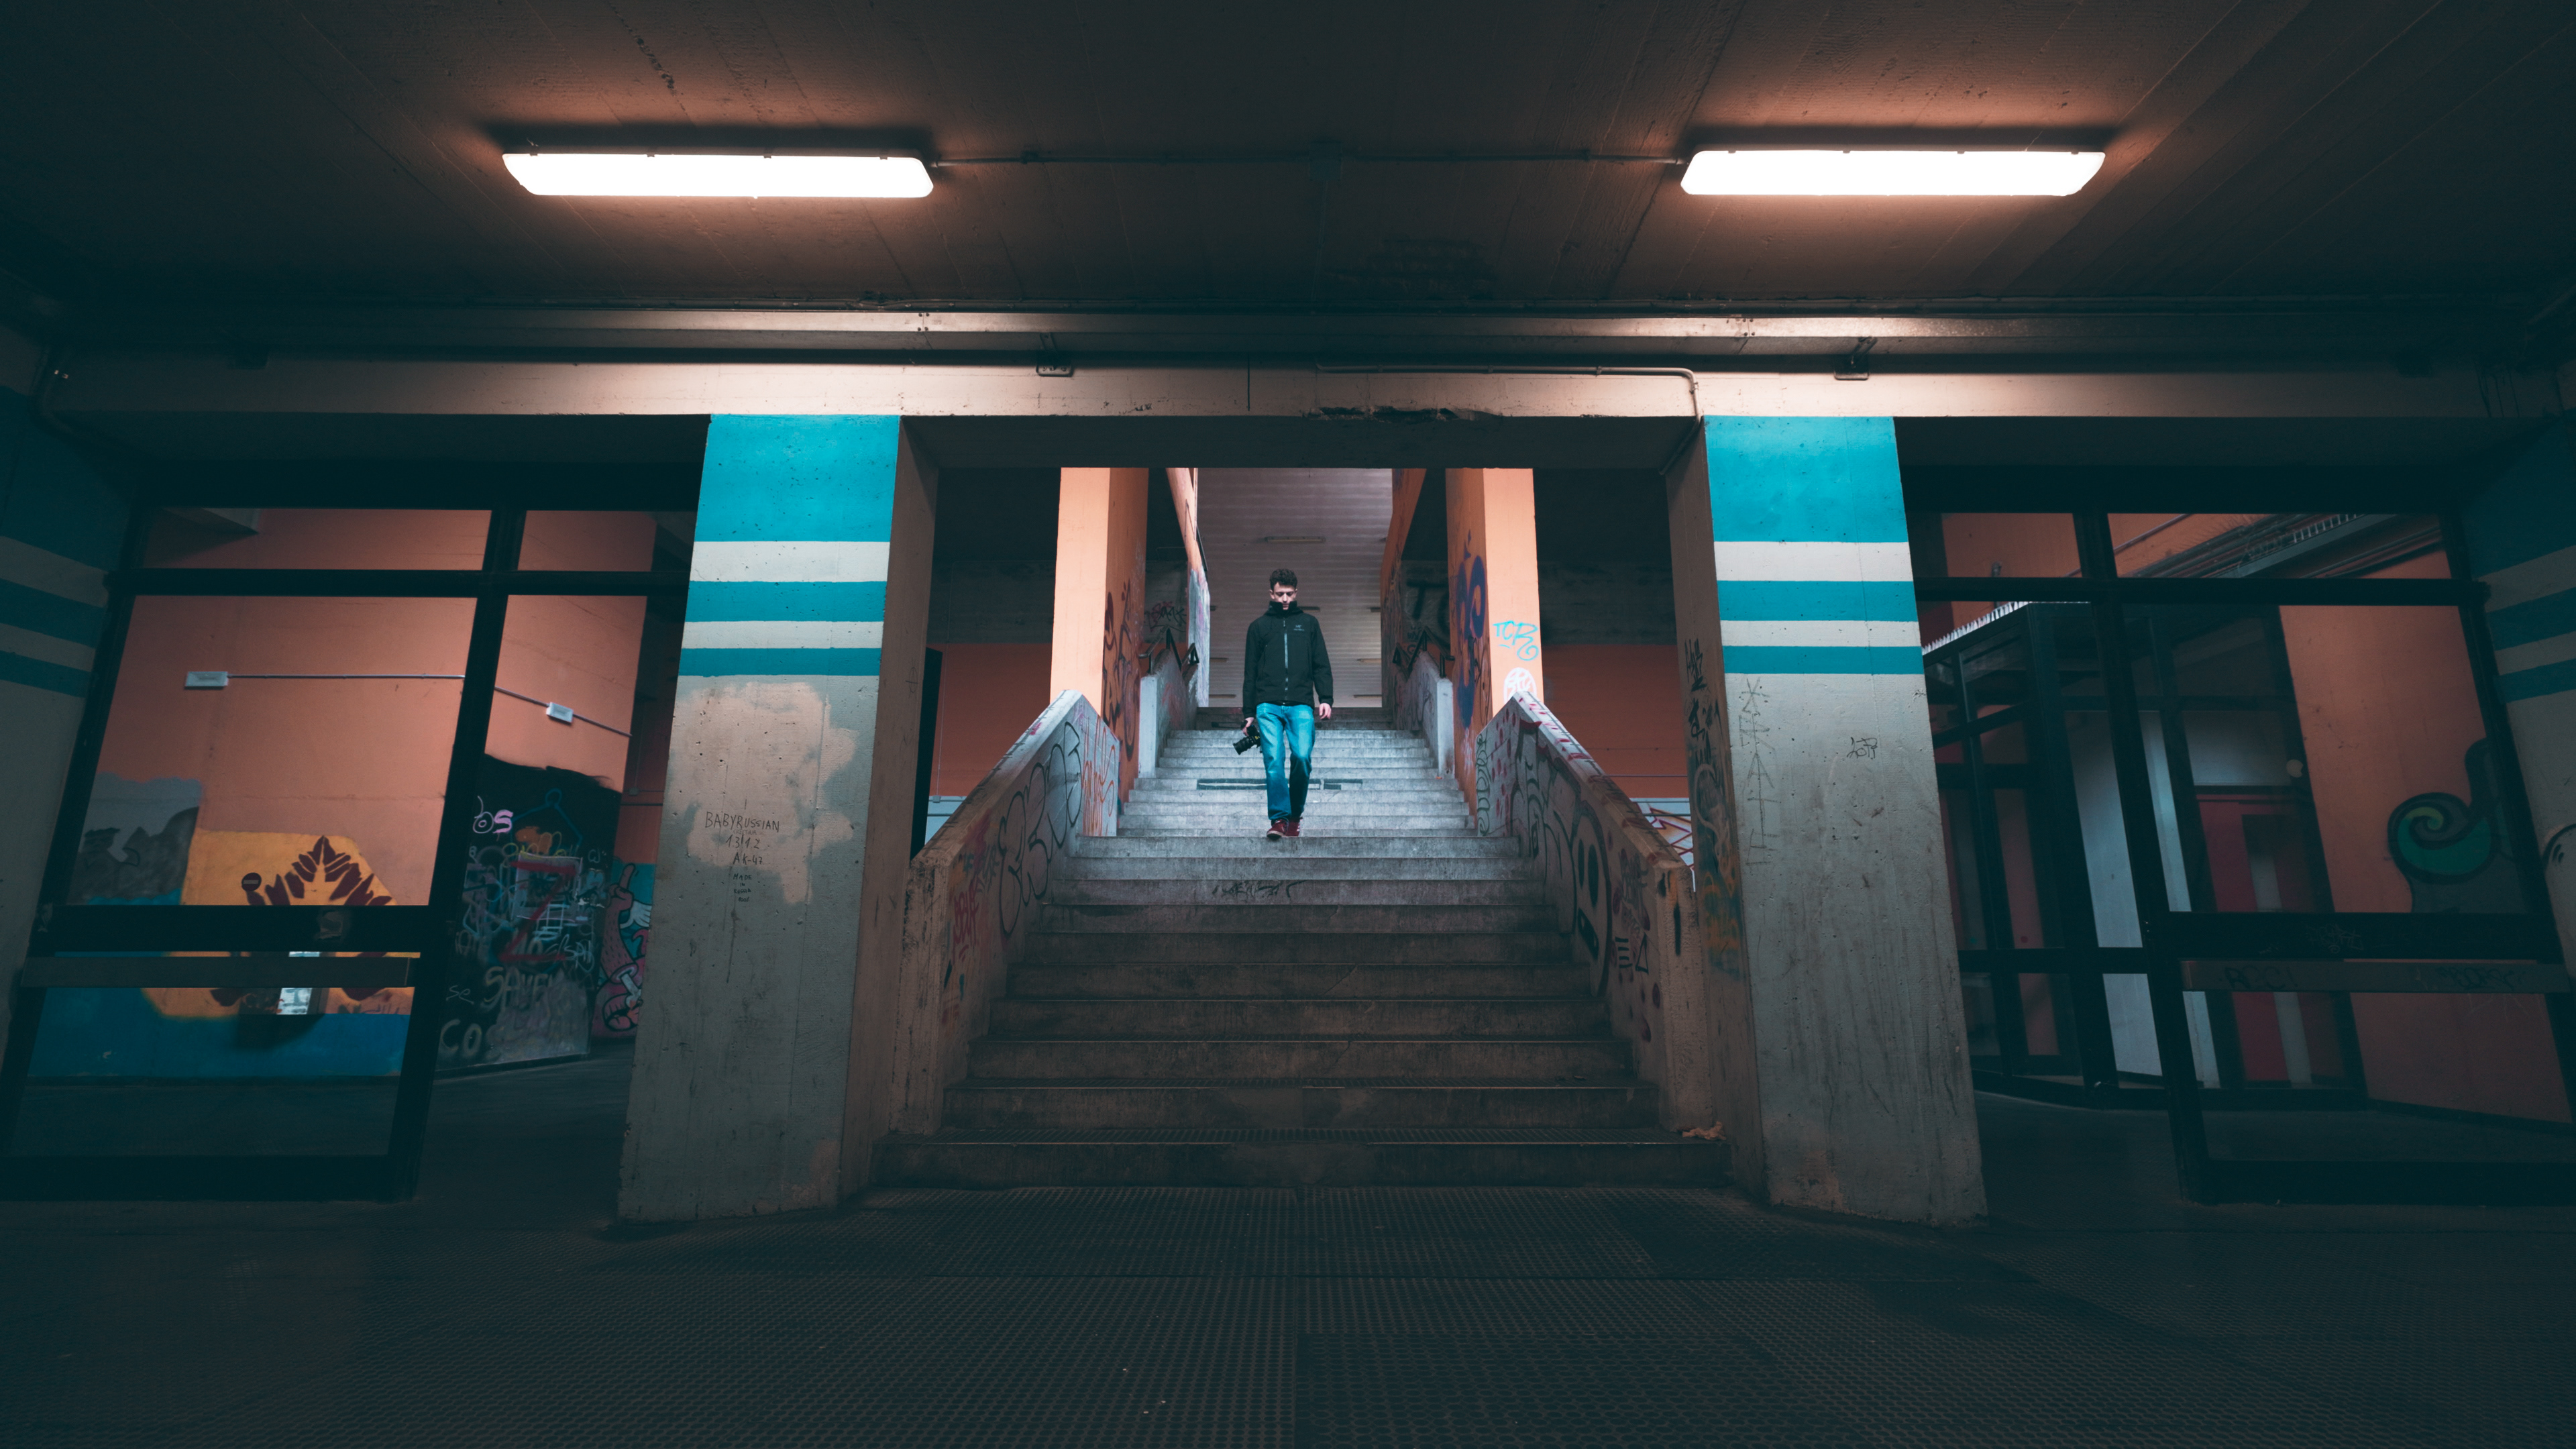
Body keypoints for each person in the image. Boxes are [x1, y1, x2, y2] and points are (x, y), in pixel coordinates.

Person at [1242, 568, 1333, 839]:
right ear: (1271, 593)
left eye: (1290, 594)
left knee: (1302, 757)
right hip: (1267, 705)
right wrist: (1249, 712)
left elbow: (1321, 664)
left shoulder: (1309, 624)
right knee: (1273, 760)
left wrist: (1326, 698)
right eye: (1280, 594)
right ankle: (1279, 820)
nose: (1285, 599)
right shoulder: (1258, 627)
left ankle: (1294, 816)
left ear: (1296, 593)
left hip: (1301, 704)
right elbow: (1250, 673)